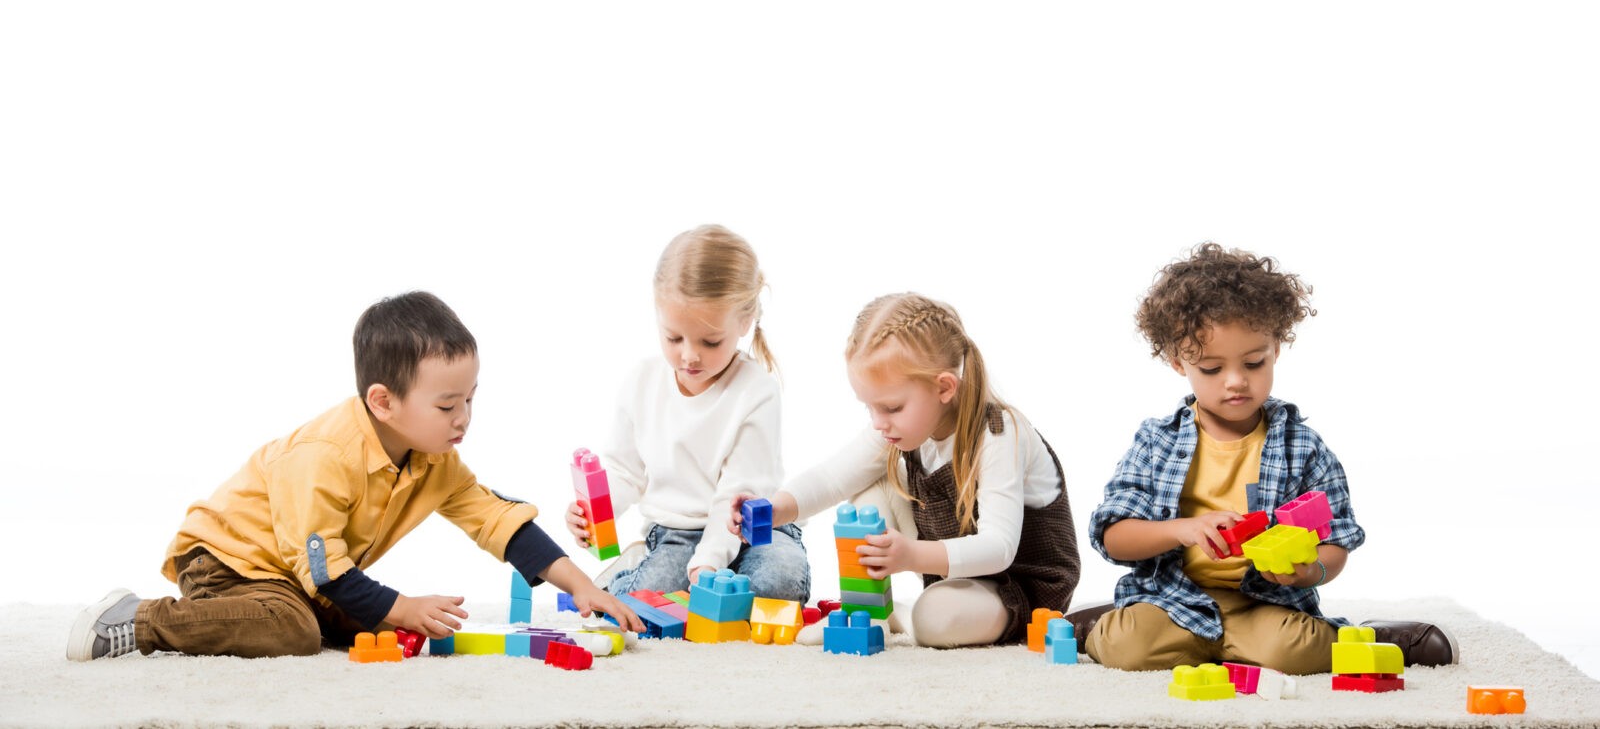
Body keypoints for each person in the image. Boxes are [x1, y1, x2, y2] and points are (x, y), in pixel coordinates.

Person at [66, 291, 641, 661]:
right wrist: (401, 604)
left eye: (470, 399)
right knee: (295, 631)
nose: (464, 418)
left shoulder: (436, 459)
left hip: (300, 575)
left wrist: (582, 586)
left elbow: (498, 519)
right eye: (447, 406)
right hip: (227, 562)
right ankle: (137, 620)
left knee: (372, 627)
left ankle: (314, 613)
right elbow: (327, 570)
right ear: (384, 402)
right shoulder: (323, 455)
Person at [1081, 242, 1457, 672]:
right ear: (1176, 360)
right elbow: (1114, 536)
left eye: (1254, 362)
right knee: (1126, 649)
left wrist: (1310, 572)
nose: (1236, 381)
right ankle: (1108, 625)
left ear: (1275, 347)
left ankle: (1371, 639)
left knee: (1291, 652)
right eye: (1211, 369)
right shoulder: (1155, 442)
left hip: (1263, 604)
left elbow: (1336, 540)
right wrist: (1184, 529)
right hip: (1173, 601)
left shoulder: (1302, 447)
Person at [733, 292, 1079, 648]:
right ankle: (870, 615)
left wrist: (910, 556)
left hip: (1020, 589)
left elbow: (999, 548)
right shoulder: (904, 426)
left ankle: (908, 614)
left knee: (935, 619)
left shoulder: (999, 433)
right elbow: (832, 478)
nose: (879, 423)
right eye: (870, 409)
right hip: (959, 578)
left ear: (944, 387)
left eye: (891, 407)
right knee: (867, 494)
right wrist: (775, 510)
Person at [568, 225, 809, 600]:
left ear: (745, 322)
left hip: (753, 529)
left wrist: (710, 563)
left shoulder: (757, 392)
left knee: (778, 585)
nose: (689, 355)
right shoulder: (642, 383)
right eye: (673, 338)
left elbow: (737, 492)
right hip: (676, 532)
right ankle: (630, 568)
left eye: (710, 341)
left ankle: (707, 575)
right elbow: (624, 472)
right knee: (645, 602)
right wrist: (596, 512)